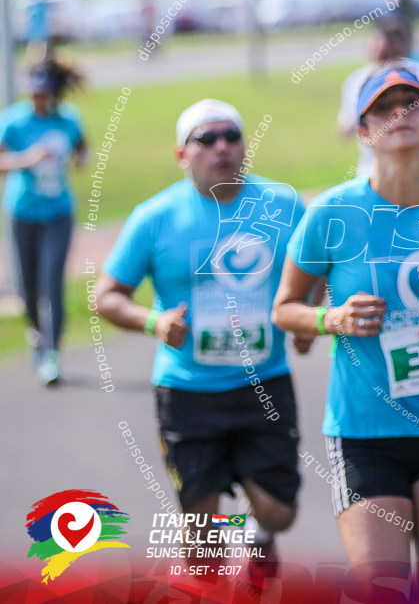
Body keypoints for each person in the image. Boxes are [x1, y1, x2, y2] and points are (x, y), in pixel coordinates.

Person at [274, 66, 419, 598]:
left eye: (412, 104)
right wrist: (333, 319)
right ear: (363, 130)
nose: (401, 116)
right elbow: (284, 310)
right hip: (364, 434)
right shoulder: (333, 212)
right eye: (383, 108)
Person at [94, 99, 307, 585]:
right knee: (203, 542)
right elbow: (106, 295)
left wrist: (306, 319)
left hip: (264, 383)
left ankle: (260, 532)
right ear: (181, 154)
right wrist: (154, 322)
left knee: (279, 513)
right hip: (187, 390)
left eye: (231, 136)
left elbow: (317, 268)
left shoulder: (283, 204)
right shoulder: (155, 216)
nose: (222, 148)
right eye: (206, 139)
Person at [0, 56, 88, 384]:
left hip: (59, 212)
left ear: (53, 93)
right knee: (27, 288)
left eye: (43, 92)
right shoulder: (14, 121)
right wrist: (26, 159)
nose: (38, 98)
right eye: (34, 92)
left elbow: (82, 147)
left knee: (52, 283)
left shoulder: (68, 120)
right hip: (22, 211)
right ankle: (36, 335)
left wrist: (81, 158)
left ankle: (52, 353)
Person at [338, 18, 419, 177]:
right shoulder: (356, 80)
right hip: (372, 168)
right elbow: (345, 127)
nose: (398, 112)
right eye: (382, 107)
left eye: (409, 102)